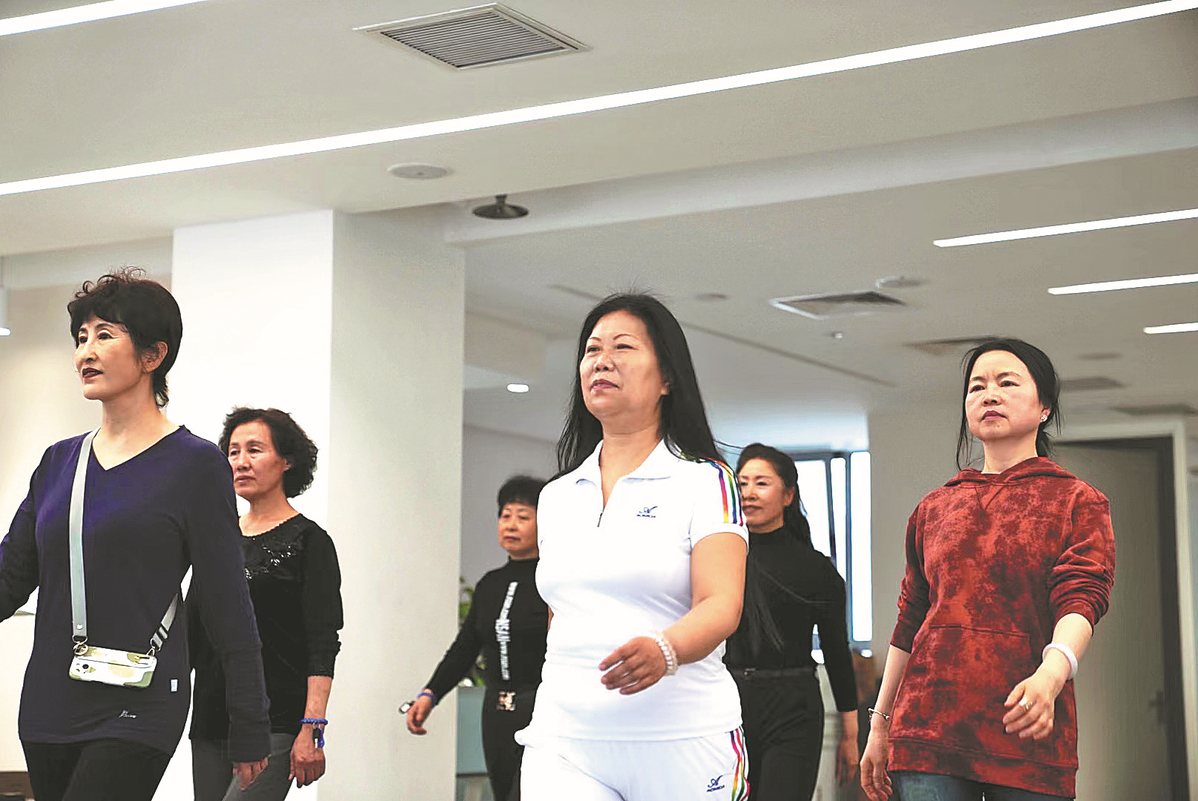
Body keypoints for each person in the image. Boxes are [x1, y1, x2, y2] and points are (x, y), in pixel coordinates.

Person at [0, 269, 270, 801]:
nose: (86, 352)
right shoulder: (58, 462)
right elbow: (10, 578)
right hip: (50, 703)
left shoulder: (195, 465)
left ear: (153, 355)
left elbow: (227, 604)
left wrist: (250, 722)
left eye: (104, 335)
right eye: (81, 338)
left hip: (140, 700)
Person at [516, 292, 750, 801]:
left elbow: (721, 603)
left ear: (667, 378)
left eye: (623, 347)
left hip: (681, 740)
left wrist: (666, 649)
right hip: (565, 742)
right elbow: (562, 614)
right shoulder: (556, 496)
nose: (602, 360)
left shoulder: (706, 481)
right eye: (592, 349)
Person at [860, 339, 1116, 801]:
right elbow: (910, 620)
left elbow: (1081, 600)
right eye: (977, 387)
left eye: (1007, 383)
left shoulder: (1077, 500)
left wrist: (1051, 675)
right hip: (928, 731)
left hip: (1027, 726)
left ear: (1044, 408)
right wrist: (879, 724)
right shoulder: (935, 506)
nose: (989, 394)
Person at [190, 407, 344, 801]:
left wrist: (312, 726)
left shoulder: (310, 542)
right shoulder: (217, 539)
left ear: (287, 460)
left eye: (254, 450)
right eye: (233, 452)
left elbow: (322, 641)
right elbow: (191, 634)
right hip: (211, 718)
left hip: (276, 721)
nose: (241, 462)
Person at [726, 443, 858, 800]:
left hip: (794, 707)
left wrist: (850, 734)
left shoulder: (817, 570)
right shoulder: (720, 559)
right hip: (727, 702)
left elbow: (836, 651)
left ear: (788, 495)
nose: (748, 493)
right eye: (742, 483)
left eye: (761, 483)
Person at [403, 475, 548, 801]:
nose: (511, 524)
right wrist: (430, 693)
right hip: (496, 710)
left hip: (541, 708)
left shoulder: (553, 581)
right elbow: (466, 647)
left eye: (523, 516)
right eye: (505, 515)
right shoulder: (489, 584)